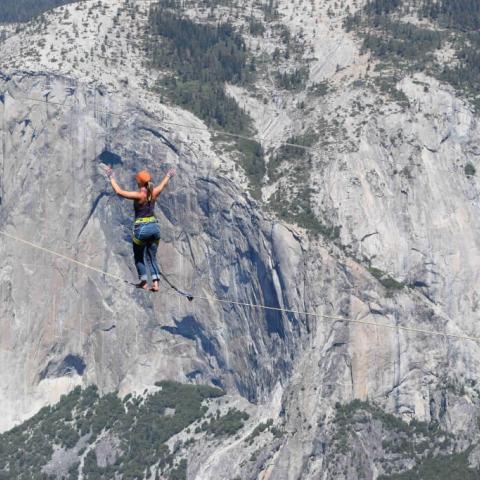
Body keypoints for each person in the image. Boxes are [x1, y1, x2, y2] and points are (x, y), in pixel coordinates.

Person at [106, 165, 176, 291]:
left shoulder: (139, 195)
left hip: (142, 229)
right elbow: (163, 185)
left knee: (139, 256)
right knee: (151, 256)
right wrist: (168, 175)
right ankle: (156, 284)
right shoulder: (154, 192)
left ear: (139, 182)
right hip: (155, 228)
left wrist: (111, 177)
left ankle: (144, 282)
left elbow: (119, 192)